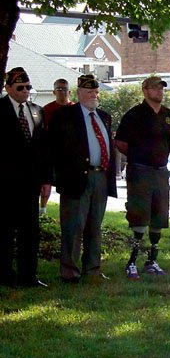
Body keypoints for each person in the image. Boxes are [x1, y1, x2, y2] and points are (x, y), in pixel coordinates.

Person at [49, 74, 117, 284]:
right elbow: (53, 149)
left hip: (100, 176)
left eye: (96, 92)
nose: (93, 96)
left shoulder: (104, 116)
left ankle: (93, 268)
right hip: (75, 179)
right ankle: (69, 271)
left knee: (95, 226)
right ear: (78, 93)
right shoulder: (65, 116)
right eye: (89, 92)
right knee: (73, 227)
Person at [115, 76, 170, 279]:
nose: (159, 92)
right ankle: (132, 261)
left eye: (161, 88)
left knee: (159, 216)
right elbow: (120, 142)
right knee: (139, 215)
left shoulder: (169, 116)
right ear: (145, 91)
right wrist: (140, 154)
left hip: (161, 172)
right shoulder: (134, 115)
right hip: (140, 171)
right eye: (154, 88)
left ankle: (152, 260)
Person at [0, 67, 50, 288]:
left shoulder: (37, 110)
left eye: (28, 87)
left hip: (31, 183)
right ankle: (5, 275)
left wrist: (46, 179)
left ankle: (29, 275)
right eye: (20, 87)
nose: (25, 91)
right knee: (5, 232)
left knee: (30, 232)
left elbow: (43, 148)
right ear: (8, 87)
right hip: (5, 184)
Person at [41, 79, 75, 215]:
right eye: (59, 89)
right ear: (53, 92)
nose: (62, 92)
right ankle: (42, 210)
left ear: (70, 91)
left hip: (69, 156)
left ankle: (68, 213)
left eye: (65, 89)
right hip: (50, 154)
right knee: (46, 184)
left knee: (68, 187)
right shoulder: (46, 110)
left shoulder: (75, 109)